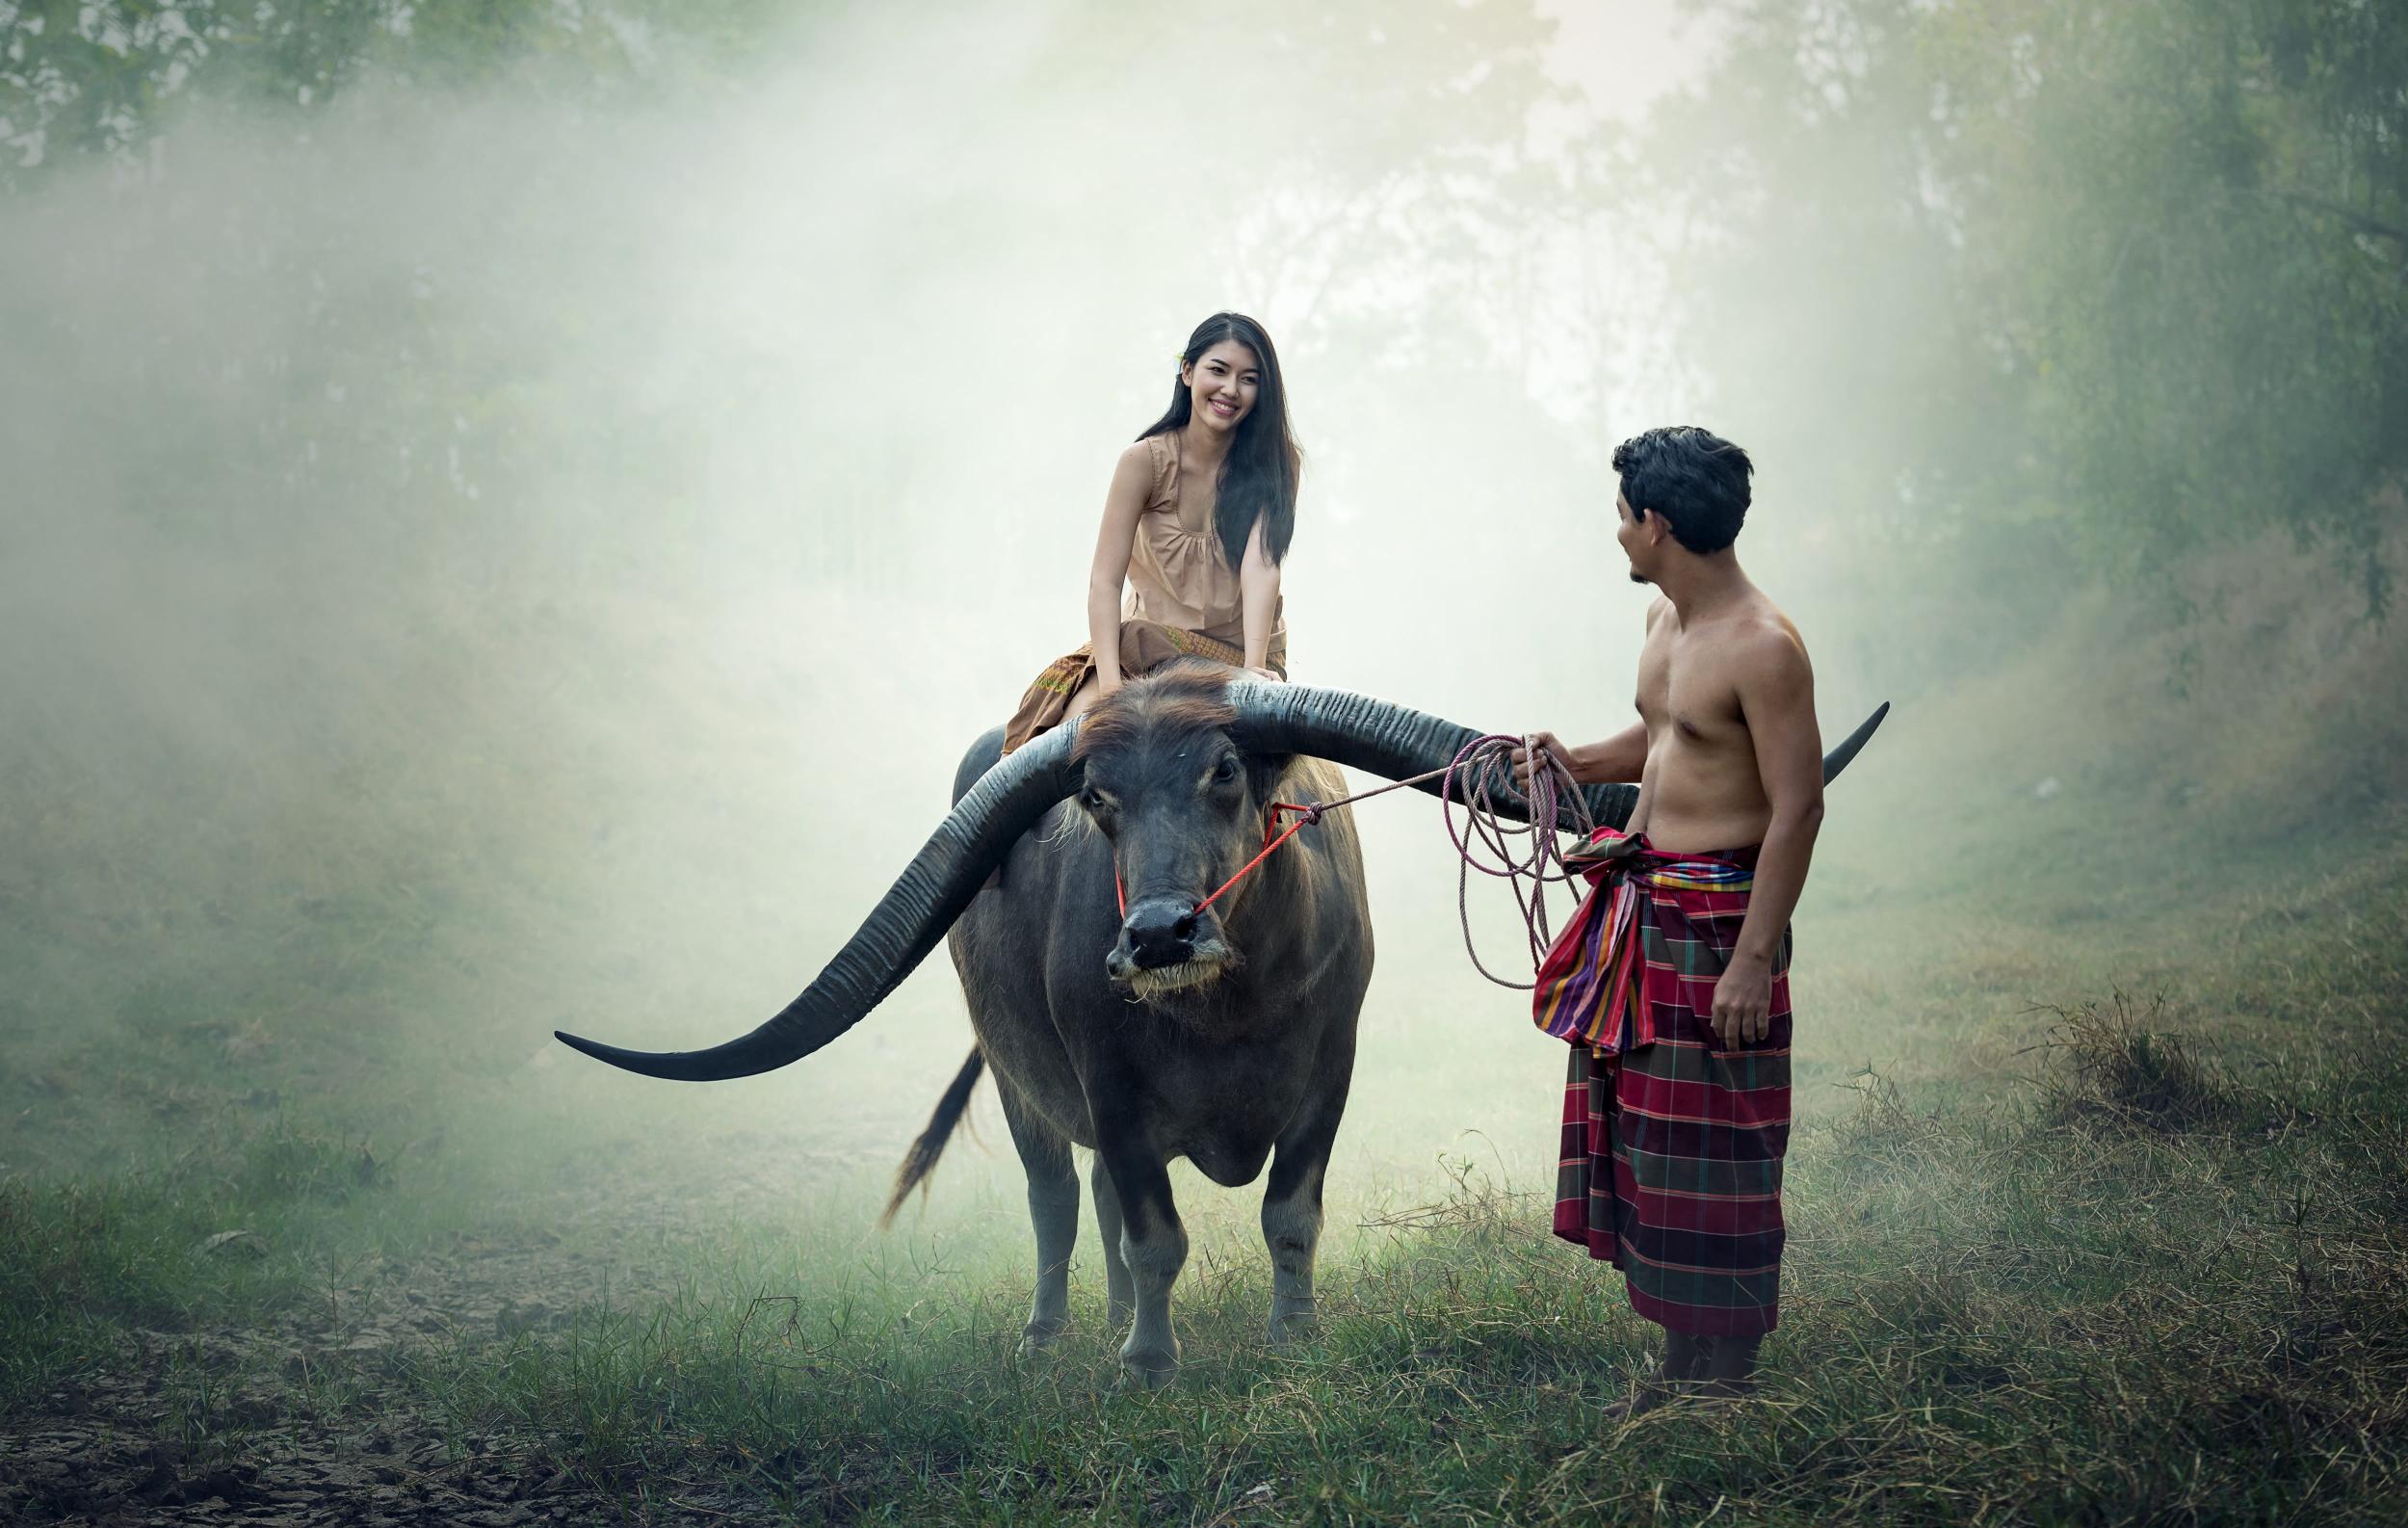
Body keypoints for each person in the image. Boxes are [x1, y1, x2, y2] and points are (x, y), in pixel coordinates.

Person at [1513, 425, 1824, 1415]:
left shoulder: (1765, 647)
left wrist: (1749, 959)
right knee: (1653, 1143)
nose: (1617, 535)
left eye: (1621, 517)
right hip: (1644, 910)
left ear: (1655, 523)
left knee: (1720, 1152)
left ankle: (1724, 1385)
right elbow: (1662, 741)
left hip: (1716, 922)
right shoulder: (1665, 618)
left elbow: (1798, 805)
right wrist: (1576, 760)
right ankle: (1680, 1369)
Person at [1001, 311, 1298, 753]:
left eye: (1249, 379)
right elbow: (1104, 581)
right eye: (1218, 370)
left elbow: (1261, 566)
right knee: (1062, 749)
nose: (1230, 390)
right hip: (1146, 653)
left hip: (1237, 657)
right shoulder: (1143, 462)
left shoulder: (1275, 464)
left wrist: (1253, 672)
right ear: (1187, 371)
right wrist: (1112, 692)